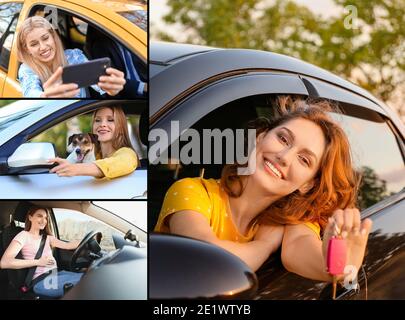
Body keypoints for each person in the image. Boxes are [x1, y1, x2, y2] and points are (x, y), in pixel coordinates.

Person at [154, 96, 373, 283]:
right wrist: (265, 245)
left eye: (304, 160)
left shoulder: (289, 221)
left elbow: (303, 251)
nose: (284, 157)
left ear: (308, 184)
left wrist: (340, 265)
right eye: (283, 138)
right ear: (260, 137)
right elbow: (205, 259)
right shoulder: (191, 190)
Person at [16, 16, 126, 98]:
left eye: (45, 38)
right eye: (34, 44)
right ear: (27, 49)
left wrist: (108, 86)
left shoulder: (74, 56)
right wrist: (45, 96)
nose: (43, 47)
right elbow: (31, 92)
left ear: (53, 37)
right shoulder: (27, 69)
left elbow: (96, 82)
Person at [0, 206, 82, 298]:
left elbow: (68, 245)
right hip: (42, 281)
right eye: (39, 216)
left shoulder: (47, 237)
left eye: (46, 218)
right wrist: (38, 262)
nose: (44, 220)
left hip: (56, 274)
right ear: (30, 217)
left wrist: (86, 240)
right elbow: (4, 262)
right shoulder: (23, 236)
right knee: (84, 283)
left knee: (87, 277)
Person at [48, 107, 139, 179]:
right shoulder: (94, 156)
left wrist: (75, 168)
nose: (102, 124)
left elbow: (118, 163)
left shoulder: (127, 153)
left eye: (110, 120)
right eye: (97, 120)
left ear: (121, 127)